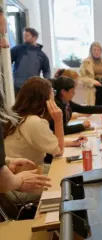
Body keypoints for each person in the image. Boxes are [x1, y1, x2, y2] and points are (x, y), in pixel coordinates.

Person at [0, 6, 51, 194]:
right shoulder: (19, 49)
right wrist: (17, 181)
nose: (5, 44)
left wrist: (6, 163)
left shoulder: (41, 54)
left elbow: (46, 71)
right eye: (1, 35)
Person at [4, 77, 65, 175]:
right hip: (26, 175)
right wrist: (59, 120)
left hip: (13, 173)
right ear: (47, 97)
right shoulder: (34, 122)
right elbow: (59, 150)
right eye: (53, 92)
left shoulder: (14, 116)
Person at [11, 28, 50, 95]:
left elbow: (46, 71)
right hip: (17, 86)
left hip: (33, 87)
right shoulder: (18, 49)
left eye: (27, 35)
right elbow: (7, 61)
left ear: (35, 37)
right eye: (24, 35)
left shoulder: (42, 55)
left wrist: (46, 85)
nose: (24, 37)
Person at [79, 42, 102, 106]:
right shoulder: (85, 62)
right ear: (91, 51)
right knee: (94, 108)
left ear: (101, 51)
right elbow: (82, 77)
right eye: (94, 50)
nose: (96, 52)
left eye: (98, 50)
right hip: (93, 88)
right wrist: (93, 82)